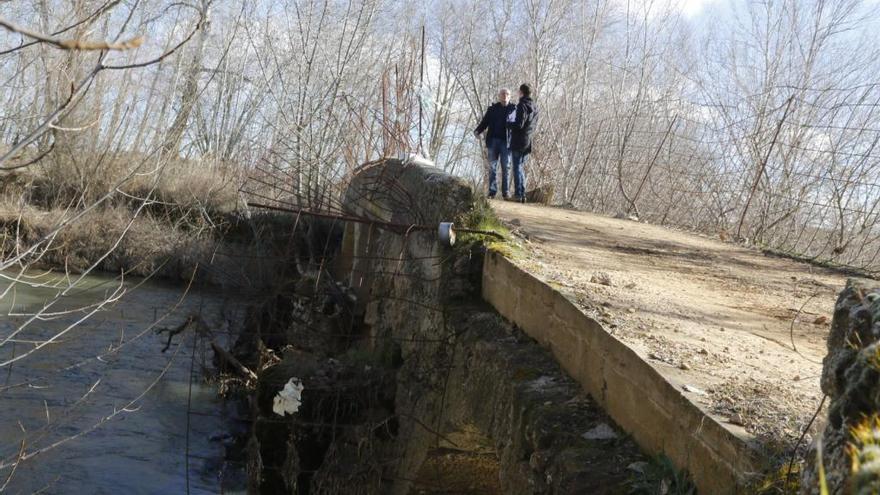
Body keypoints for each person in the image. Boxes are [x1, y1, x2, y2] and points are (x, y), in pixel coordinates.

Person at [474, 88, 516, 199]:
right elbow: (485, 122)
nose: (505, 96)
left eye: (507, 94)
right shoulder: (492, 109)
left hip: (507, 143)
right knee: (492, 167)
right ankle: (492, 192)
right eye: (503, 94)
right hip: (493, 141)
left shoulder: (513, 109)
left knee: (506, 167)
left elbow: (518, 126)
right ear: (499, 95)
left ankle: (506, 192)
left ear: (510, 96)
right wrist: (478, 130)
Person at [507, 83, 538, 203]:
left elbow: (519, 124)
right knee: (520, 168)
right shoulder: (535, 107)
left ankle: (519, 194)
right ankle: (522, 194)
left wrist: (508, 124)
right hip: (528, 141)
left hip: (519, 140)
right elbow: (533, 125)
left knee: (517, 167)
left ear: (521, 92)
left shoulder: (522, 105)